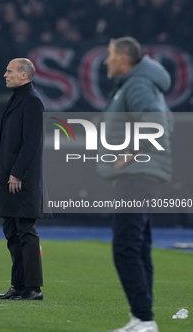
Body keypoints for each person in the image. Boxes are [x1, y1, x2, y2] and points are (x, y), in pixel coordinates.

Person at [99, 37, 172, 332]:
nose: (106, 60)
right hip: (141, 176)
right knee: (138, 247)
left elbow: (156, 122)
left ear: (123, 59)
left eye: (110, 55)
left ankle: (144, 319)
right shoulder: (134, 85)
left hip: (137, 176)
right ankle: (142, 318)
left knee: (126, 247)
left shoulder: (138, 85)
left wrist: (132, 152)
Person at [0, 58, 44, 301]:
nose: (5, 74)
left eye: (9, 71)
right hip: (9, 175)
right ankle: (18, 285)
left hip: (21, 179)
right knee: (12, 231)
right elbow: (10, 142)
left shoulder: (32, 100)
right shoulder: (20, 97)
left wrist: (17, 173)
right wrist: (0, 168)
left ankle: (33, 288)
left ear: (23, 75)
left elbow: (31, 143)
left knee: (25, 230)